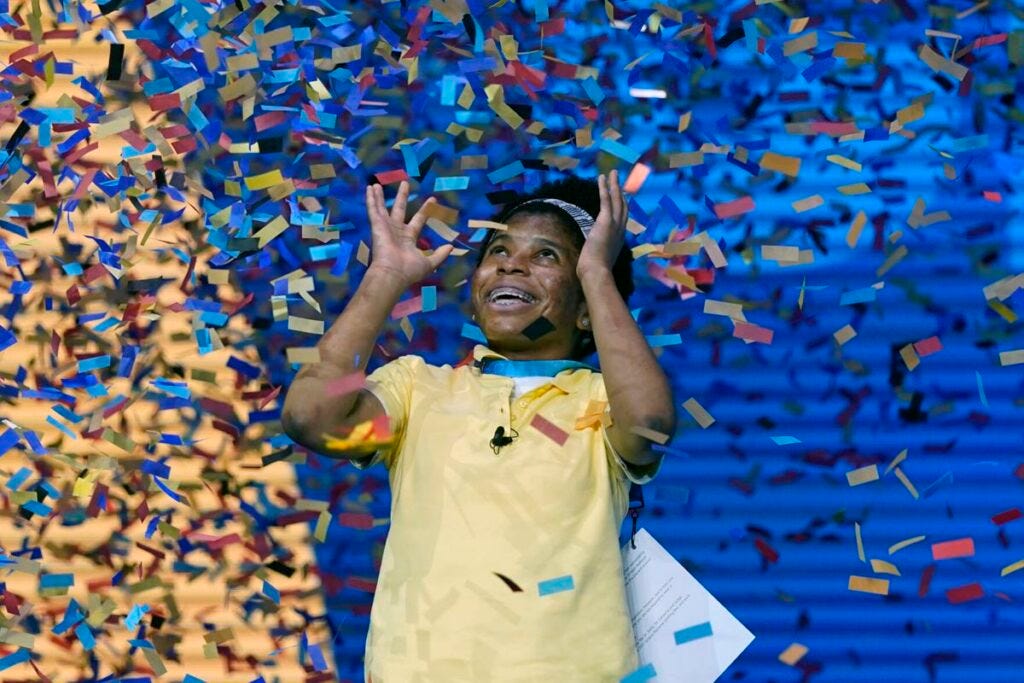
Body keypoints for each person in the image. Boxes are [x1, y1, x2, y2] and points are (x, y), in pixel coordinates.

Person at [282, 170, 676, 682]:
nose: (512, 263)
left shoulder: (605, 403)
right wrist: (385, 276)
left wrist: (599, 273)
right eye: (498, 251)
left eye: (546, 256)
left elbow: (648, 426)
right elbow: (311, 418)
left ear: (585, 310)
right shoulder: (417, 389)